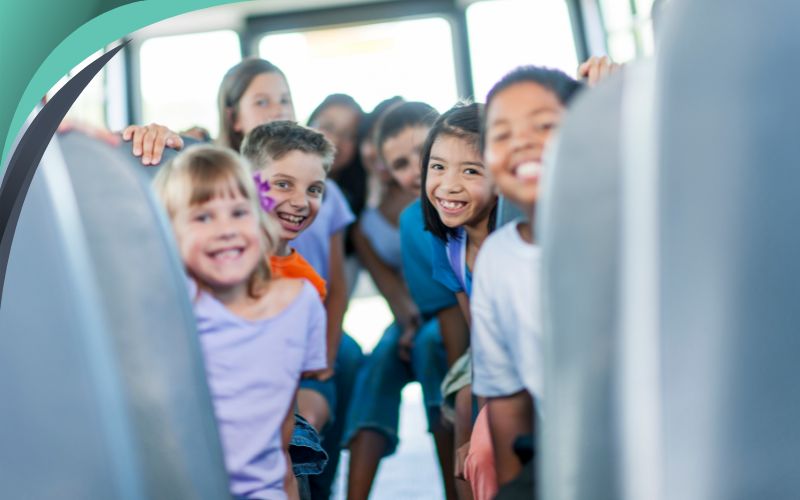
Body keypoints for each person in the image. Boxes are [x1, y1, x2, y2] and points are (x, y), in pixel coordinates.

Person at [152, 144, 326, 500]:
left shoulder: (301, 303)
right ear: (168, 233)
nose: (226, 229)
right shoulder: (174, 305)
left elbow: (281, 437)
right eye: (203, 217)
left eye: (239, 212)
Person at [471, 66, 582, 497]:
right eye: (501, 134)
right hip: (564, 463)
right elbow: (508, 403)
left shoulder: (634, 229)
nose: (520, 142)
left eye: (545, 125)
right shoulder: (497, 260)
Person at [343, 102, 456, 500]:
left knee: (430, 347)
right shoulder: (375, 222)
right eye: (398, 162)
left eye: (419, 155)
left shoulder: (448, 198)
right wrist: (408, 321)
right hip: (410, 311)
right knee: (382, 359)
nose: (415, 169)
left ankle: (454, 485)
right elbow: (393, 290)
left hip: (446, 311)